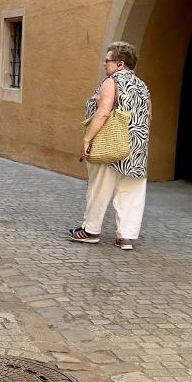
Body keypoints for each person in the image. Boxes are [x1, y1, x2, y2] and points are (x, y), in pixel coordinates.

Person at [69, 40, 152, 251]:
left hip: (111, 143)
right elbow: (149, 115)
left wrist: (87, 139)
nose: (105, 65)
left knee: (99, 187)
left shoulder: (111, 81)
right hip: (136, 148)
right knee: (131, 192)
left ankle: (91, 230)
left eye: (108, 61)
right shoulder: (142, 86)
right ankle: (125, 237)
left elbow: (104, 111)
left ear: (121, 64)